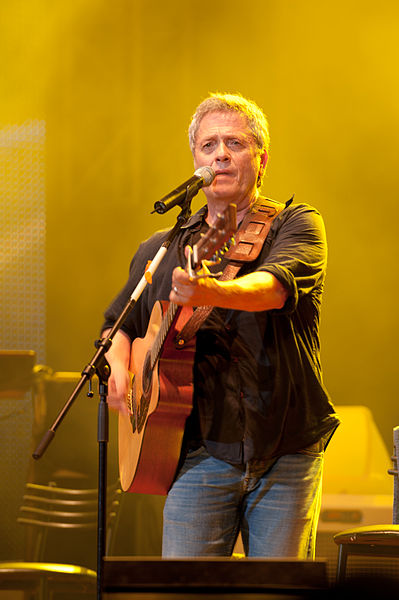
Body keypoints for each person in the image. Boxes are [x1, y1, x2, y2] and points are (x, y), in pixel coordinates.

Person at [101, 92, 339, 559]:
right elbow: (118, 326)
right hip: (193, 450)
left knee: (278, 595)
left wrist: (209, 292)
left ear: (261, 159)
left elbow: (275, 288)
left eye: (235, 143)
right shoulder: (162, 245)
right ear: (195, 161)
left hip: (284, 447)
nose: (220, 154)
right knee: (187, 593)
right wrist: (118, 369)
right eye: (208, 146)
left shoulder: (295, 225)